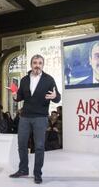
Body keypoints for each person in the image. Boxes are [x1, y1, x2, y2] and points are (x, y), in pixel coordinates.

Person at [9, 54, 61, 184]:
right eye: (35, 63)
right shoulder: (25, 80)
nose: (37, 65)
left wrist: (55, 96)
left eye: (39, 63)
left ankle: (37, 173)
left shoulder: (49, 80)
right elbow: (20, 97)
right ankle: (23, 169)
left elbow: (57, 97)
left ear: (42, 65)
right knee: (21, 144)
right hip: (25, 117)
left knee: (39, 146)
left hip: (41, 117)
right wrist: (15, 95)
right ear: (31, 64)